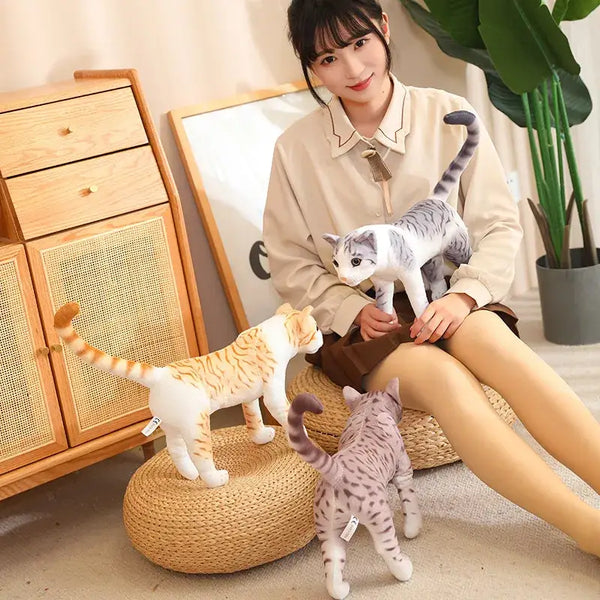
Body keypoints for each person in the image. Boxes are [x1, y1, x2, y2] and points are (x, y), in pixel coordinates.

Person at [263, 0, 600, 558]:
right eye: (328, 58)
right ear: (311, 65)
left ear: (384, 28)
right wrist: (350, 311)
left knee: (504, 353)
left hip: (452, 293)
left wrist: (465, 296)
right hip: (365, 325)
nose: (352, 68)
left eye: (360, 43)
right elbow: (291, 264)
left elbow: (497, 225)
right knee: (444, 381)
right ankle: (587, 530)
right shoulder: (294, 150)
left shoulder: (447, 113)